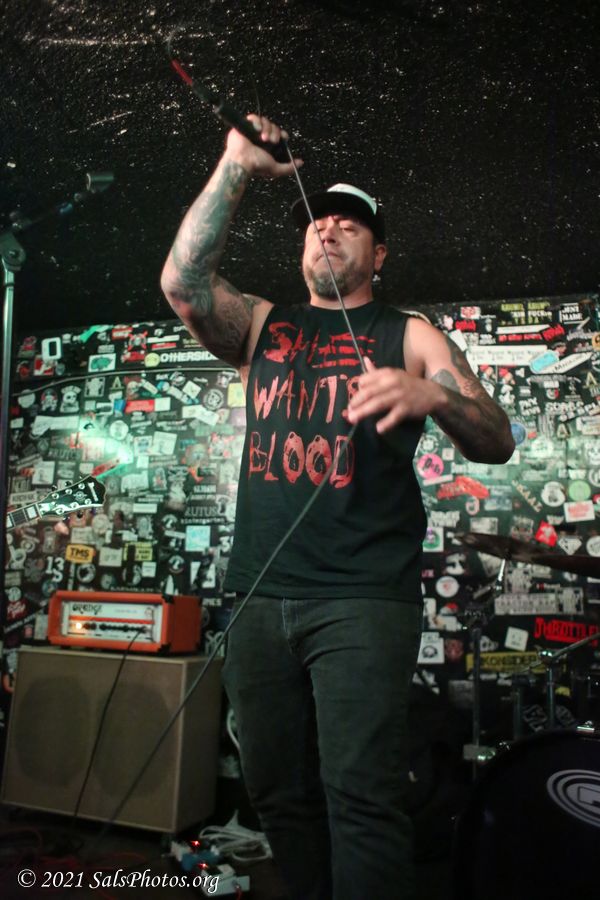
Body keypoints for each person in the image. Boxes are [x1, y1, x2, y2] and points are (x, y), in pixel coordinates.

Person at [161, 115, 514, 900]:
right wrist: (235, 165)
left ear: (378, 254)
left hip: (361, 599)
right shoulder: (263, 325)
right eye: (317, 221)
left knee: (361, 795)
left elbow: (497, 440)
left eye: (350, 225)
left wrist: (433, 394)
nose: (328, 229)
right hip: (259, 594)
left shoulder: (410, 334)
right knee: (276, 793)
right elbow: (184, 285)